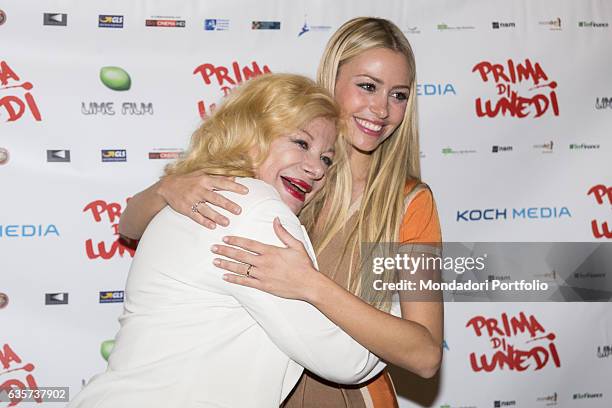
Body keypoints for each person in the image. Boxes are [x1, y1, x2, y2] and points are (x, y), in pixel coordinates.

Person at [119, 17, 443, 407]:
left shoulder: (410, 202)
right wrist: (167, 187)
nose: (381, 109)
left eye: (399, 95)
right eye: (368, 86)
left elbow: (425, 355)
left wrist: (311, 284)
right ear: (333, 79)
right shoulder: (283, 172)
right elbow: (129, 225)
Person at [70, 74, 385, 408]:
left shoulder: (199, 195)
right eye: (301, 143)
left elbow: (130, 223)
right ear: (252, 135)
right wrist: (396, 298)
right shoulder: (256, 210)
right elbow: (349, 360)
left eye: (326, 158)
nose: (316, 170)